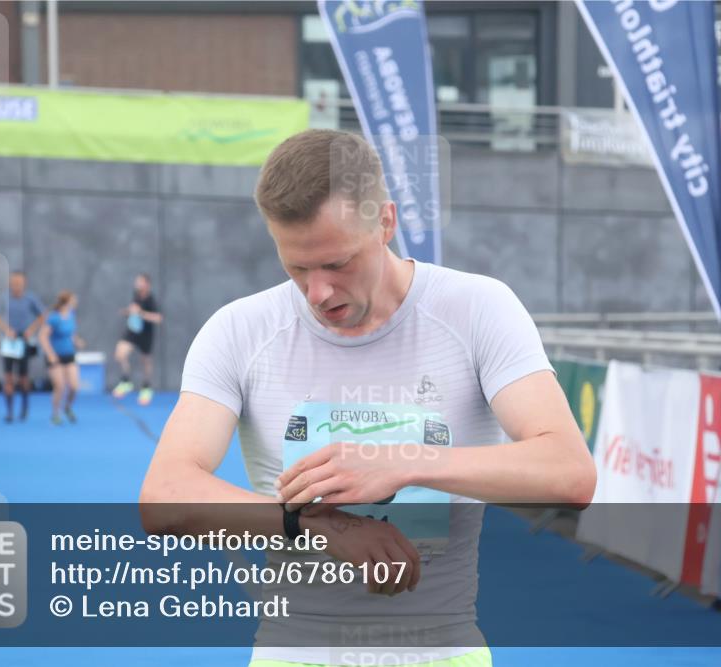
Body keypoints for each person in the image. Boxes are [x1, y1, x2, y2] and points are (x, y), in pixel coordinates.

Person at [140, 130, 596, 667]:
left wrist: (402, 462)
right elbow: (165, 496)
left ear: (386, 222)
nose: (318, 293)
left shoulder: (478, 309)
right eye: (297, 267)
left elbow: (570, 474)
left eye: (337, 263)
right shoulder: (239, 330)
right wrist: (315, 527)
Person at [0, 271, 46, 423]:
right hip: (9, 342)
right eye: (14, 283)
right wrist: (6, 330)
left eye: (19, 283)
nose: (17, 286)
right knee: (8, 377)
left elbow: (42, 315)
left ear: (24, 283)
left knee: (23, 378)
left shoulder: (30, 298)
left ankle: (24, 407)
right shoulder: (4, 298)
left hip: (24, 341)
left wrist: (31, 330)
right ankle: (9, 411)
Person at [111, 273, 162, 406]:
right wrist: (128, 312)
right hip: (132, 331)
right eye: (137, 281)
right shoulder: (136, 295)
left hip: (146, 334)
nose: (137, 284)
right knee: (120, 354)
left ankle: (146, 387)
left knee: (146, 361)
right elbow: (133, 311)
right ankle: (126, 381)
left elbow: (158, 318)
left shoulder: (151, 300)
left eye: (140, 282)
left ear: (147, 284)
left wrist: (141, 313)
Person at [39, 290, 83, 425]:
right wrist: (50, 354)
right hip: (55, 357)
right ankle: (55, 414)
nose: (76, 302)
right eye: (73, 299)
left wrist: (77, 341)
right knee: (60, 386)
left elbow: (71, 333)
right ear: (67, 301)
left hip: (69, 355)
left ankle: (67, 407)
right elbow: (43, 337)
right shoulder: (54, 318)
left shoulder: (71, 315)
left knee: (74, 386)